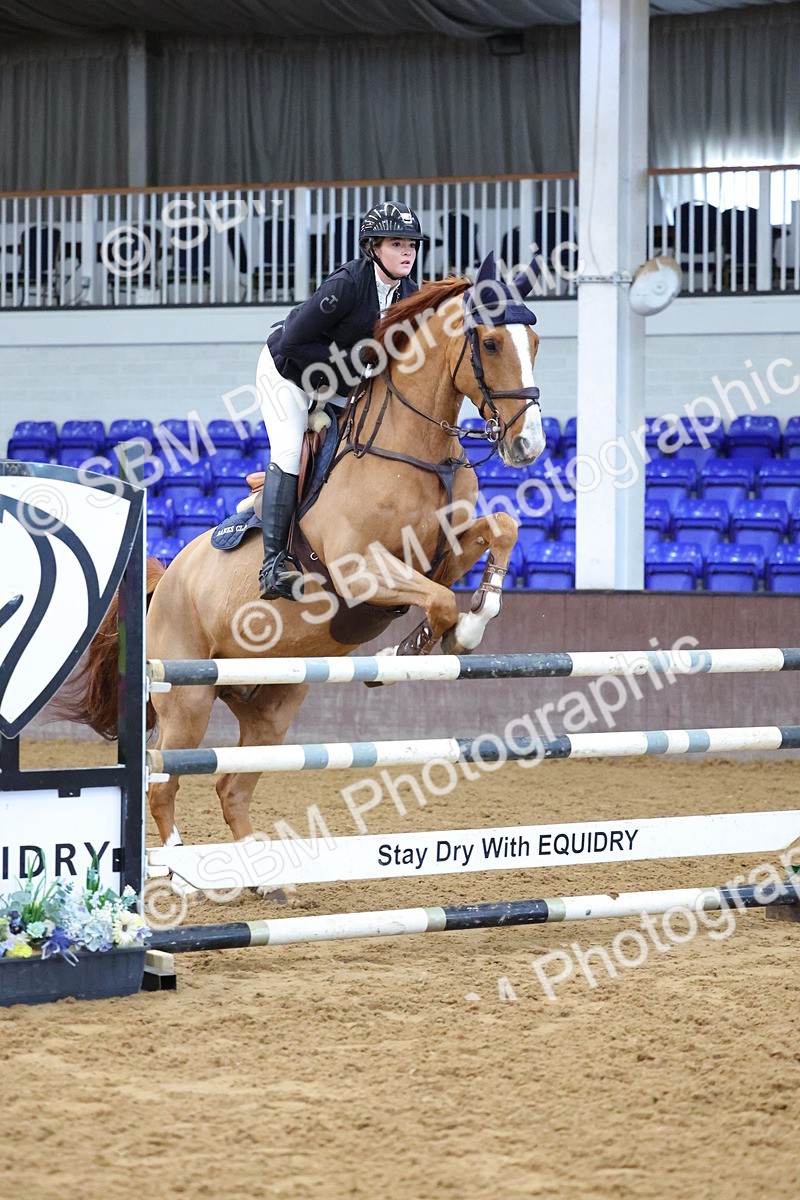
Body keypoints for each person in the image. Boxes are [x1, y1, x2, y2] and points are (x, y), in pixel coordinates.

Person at [255, 201, 424, 601]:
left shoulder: (411, 294)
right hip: (288, 372)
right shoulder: (348, 284)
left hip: (339, 384)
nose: (407, 252)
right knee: (290, 450)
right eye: (396, 243)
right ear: (372, 248)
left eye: (412, 245)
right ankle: (273, 565)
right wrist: (348, 372)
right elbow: (295, 339)